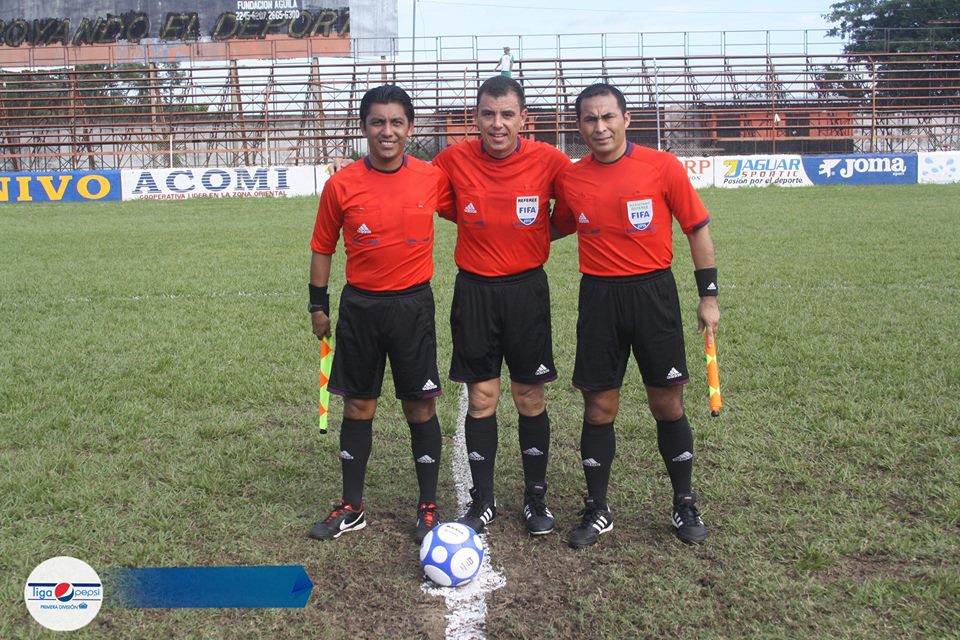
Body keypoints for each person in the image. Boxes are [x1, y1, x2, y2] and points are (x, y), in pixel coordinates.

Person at [552, 83, 720, 548]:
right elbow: (554, 226)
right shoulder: (572, 178)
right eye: (590, 119)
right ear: (579, 125)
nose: (600, 127)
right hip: (599, 299)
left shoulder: (661, 166)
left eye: (608, 116)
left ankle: (684, 502)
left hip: (653, 295)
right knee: (598, 406)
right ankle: (597, 508)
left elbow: (697, 229)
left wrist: (708, 297)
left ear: (627, 119)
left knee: (667, 404)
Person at [307, 84, 453, 544]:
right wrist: (317, 304)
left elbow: (472, 212)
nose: (386, 131)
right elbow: (322, 246)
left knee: (419, 405)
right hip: (361, 308)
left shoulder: (432, 177)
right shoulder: (341, 184)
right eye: (377, 122)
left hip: (413, 307)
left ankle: (427, 506)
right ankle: (351, 507)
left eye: (396, 122)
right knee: (358, 405)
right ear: (364, 127)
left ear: (410, 128)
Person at [432, 75, 571, 536]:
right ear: (475, 117)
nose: (497, 124)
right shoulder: (452, 160)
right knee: (482, 398)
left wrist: (531, 237)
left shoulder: (549, 161)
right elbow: (428, 196)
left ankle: (535, 497)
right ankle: (484, 498)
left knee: (529, 396)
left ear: (523, 118)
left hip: (527, 292)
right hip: (474, 292)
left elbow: (572, 210)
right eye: (488, 114)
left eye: (507, 114)